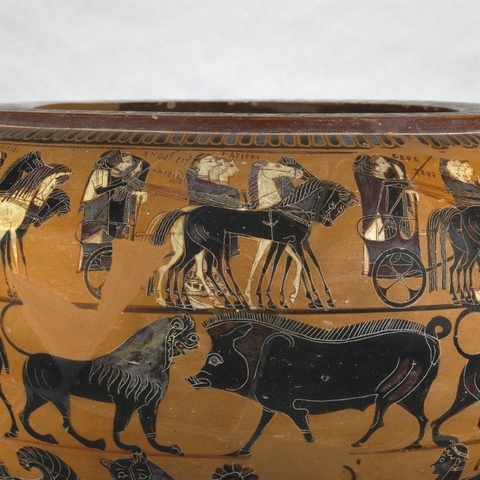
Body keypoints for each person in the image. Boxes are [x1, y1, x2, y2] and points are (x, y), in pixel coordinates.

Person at [79, 149, 149, 269]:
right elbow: (99, 191)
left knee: (119, 231)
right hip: (99, 210)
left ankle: (116, 255)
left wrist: (137, 192)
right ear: (114, 163)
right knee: (107, 233)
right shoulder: (101, 173)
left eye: (129, 162)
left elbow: (145, 166)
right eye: (125, 162)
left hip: (115, 211)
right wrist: (123, 185)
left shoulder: (122, 176)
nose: (128, 166)